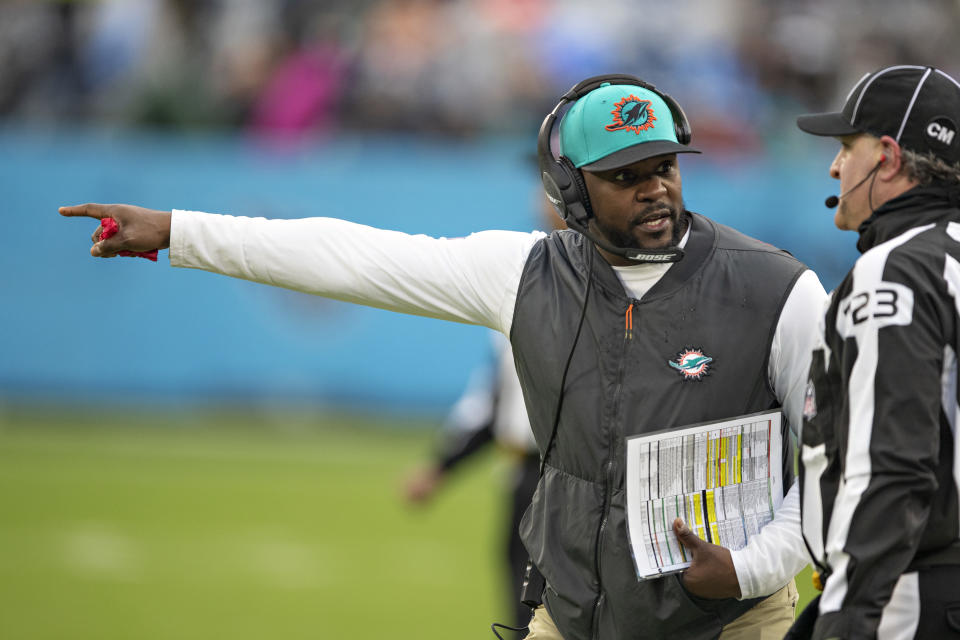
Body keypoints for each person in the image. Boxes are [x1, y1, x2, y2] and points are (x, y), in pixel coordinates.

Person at [60, 73, 825, 639]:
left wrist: (751, 570)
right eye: (625, 176)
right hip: (576, 614)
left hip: (731, 622)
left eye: (665, 165)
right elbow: (350, 255)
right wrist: (179, 231)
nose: (656, 189)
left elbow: (843, 461)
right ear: (572, 187)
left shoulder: (778, 289)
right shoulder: (524, 273)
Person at [792, 64, 960, 639]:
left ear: (887, 157)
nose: (836, 166)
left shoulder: (896, 271)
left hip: (911, 597)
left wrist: (845, 617)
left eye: (846, 146)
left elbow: (891, 468)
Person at [404, 331, 540, 629]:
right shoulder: (516, 327)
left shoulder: (528, 322)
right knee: (526, 586)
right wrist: (441, 466)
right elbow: (492, 411)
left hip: (551, 475)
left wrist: (440, 466)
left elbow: (486, 412)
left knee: (532, 588)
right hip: (530, 475)